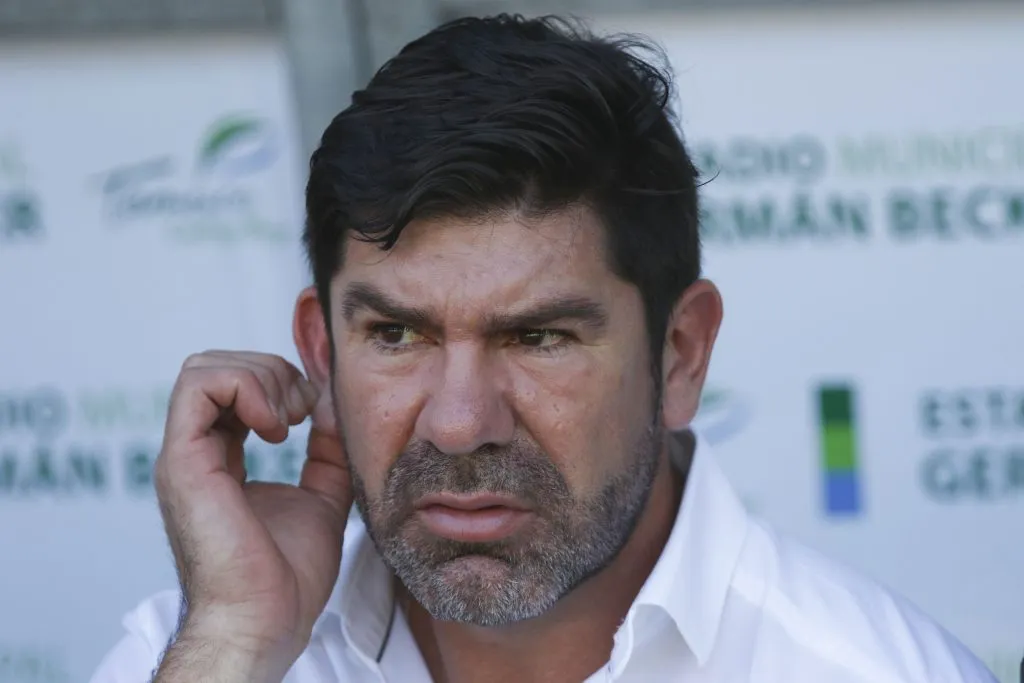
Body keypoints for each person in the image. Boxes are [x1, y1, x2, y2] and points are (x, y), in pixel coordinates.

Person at [89, 14, 997, 683]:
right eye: (396, 334)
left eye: (538, 337)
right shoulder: (201, 649)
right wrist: (238, 640)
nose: (457, 424)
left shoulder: (869, 668)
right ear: (319, 358)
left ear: (679, 355)